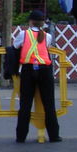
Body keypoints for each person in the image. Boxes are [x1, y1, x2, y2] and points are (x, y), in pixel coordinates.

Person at [12, 10, 62, 143]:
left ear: (30, 21)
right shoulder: (47, 36)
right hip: (45, 70)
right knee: (49, 104)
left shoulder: (24, 34)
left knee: (25, 104)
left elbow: (15, 46)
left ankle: (21, 136)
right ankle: (54, 135)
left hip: (28, 70)